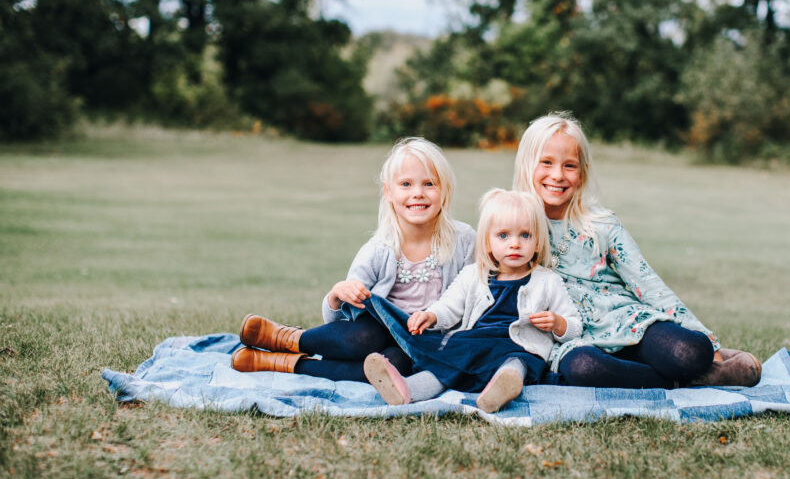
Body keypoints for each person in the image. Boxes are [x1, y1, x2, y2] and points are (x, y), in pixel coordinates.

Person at [512, 112, 761, 389]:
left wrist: (708, 341)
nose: (557, 175)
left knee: (692, 351)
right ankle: (689, 381)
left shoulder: (602, 224)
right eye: (546, 163)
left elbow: (648, 283)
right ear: (526, 165)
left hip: (628, 325)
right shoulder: (515, 226)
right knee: (584, 368)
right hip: (572, 338)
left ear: (581, 174)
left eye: (569, 166)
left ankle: (702, 365)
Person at [230, 137, 476, 381]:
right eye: (406, 184)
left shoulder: (464, 241)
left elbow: (475, 297)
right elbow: (339, 319)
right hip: (377, 333)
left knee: (394, 367)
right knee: (364, 338)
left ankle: (283, 363)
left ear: (445, 190)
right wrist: (337, 296)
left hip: (427, 344)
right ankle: (288, 338)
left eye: (429, 184)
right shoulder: (379, 249)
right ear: (388, 192)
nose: (418, 193)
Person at [361, 189, 582, 413]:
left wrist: (558, 323)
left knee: (517, 363)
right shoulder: (473, 275)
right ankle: (406, 389)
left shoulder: (547, 281)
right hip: (475, 344)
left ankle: (501, 388)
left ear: (537, 243)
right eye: (503, 236)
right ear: (487, 243)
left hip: (518, 346)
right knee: (447, 364)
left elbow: (575, 325)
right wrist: (431, 315)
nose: (514, 244)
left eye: (525, 235)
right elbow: (450, 305)